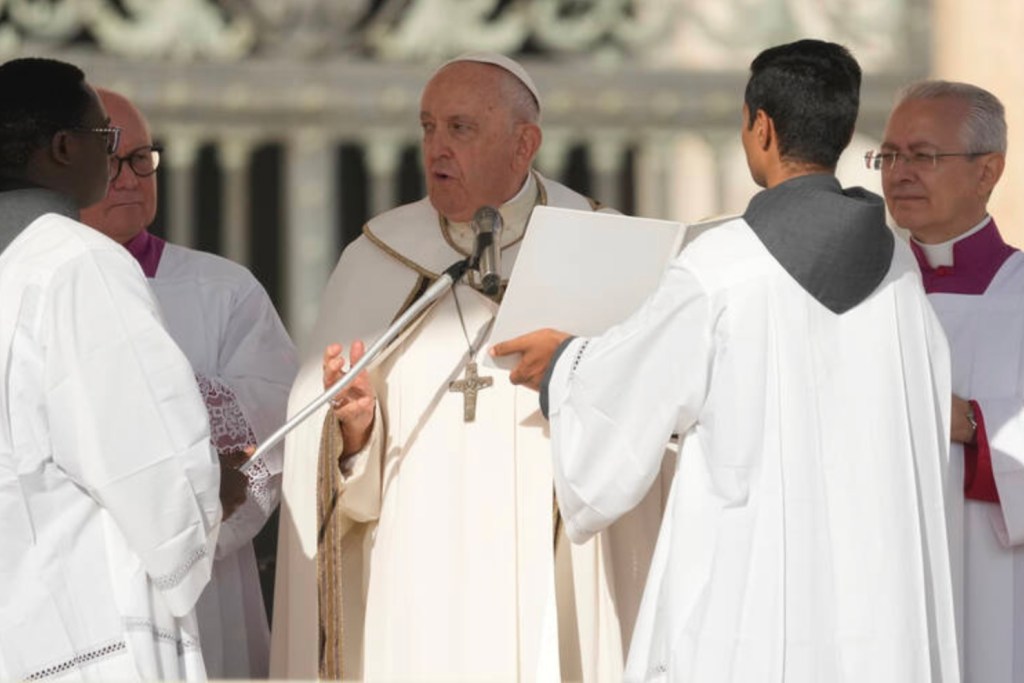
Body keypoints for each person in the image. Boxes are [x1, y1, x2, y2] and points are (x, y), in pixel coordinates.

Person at [494, 39, 961, 682]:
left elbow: (625, 408)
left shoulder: (719, 269)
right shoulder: (901, 272)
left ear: (760, 126)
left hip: (755, 601)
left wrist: (564, 363)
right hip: (876, 609)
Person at [272, 52, 667, 680]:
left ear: (524, 144)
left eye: (460, 128)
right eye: (428, 127)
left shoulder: (598, 244)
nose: (436, 148)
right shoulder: (378, 257)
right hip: (413, 575)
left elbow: (651, 415)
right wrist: (353, 433)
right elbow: (319, 452)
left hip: (549, 565)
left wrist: (578, 368)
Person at [0, 58, 221, 680]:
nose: (115, 159)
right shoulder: (78, 261)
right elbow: (153, 460)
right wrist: (219, 494)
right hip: (84, 629)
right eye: (107, 141)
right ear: (65, 148)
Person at [78, 88, 298, 679]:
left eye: (143, 159)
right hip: (80, 579)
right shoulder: (32, 287)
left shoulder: (222, 289)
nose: (130, 179)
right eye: (110, 161)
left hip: (205, 582)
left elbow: (276, 418)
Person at [877, 80, 1022, 683]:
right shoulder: (856, 295)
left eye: (924, 156)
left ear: (988, 170)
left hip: (999, 587)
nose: (899, 173)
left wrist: (969, 423)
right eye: (888, 156)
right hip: (881, 578)